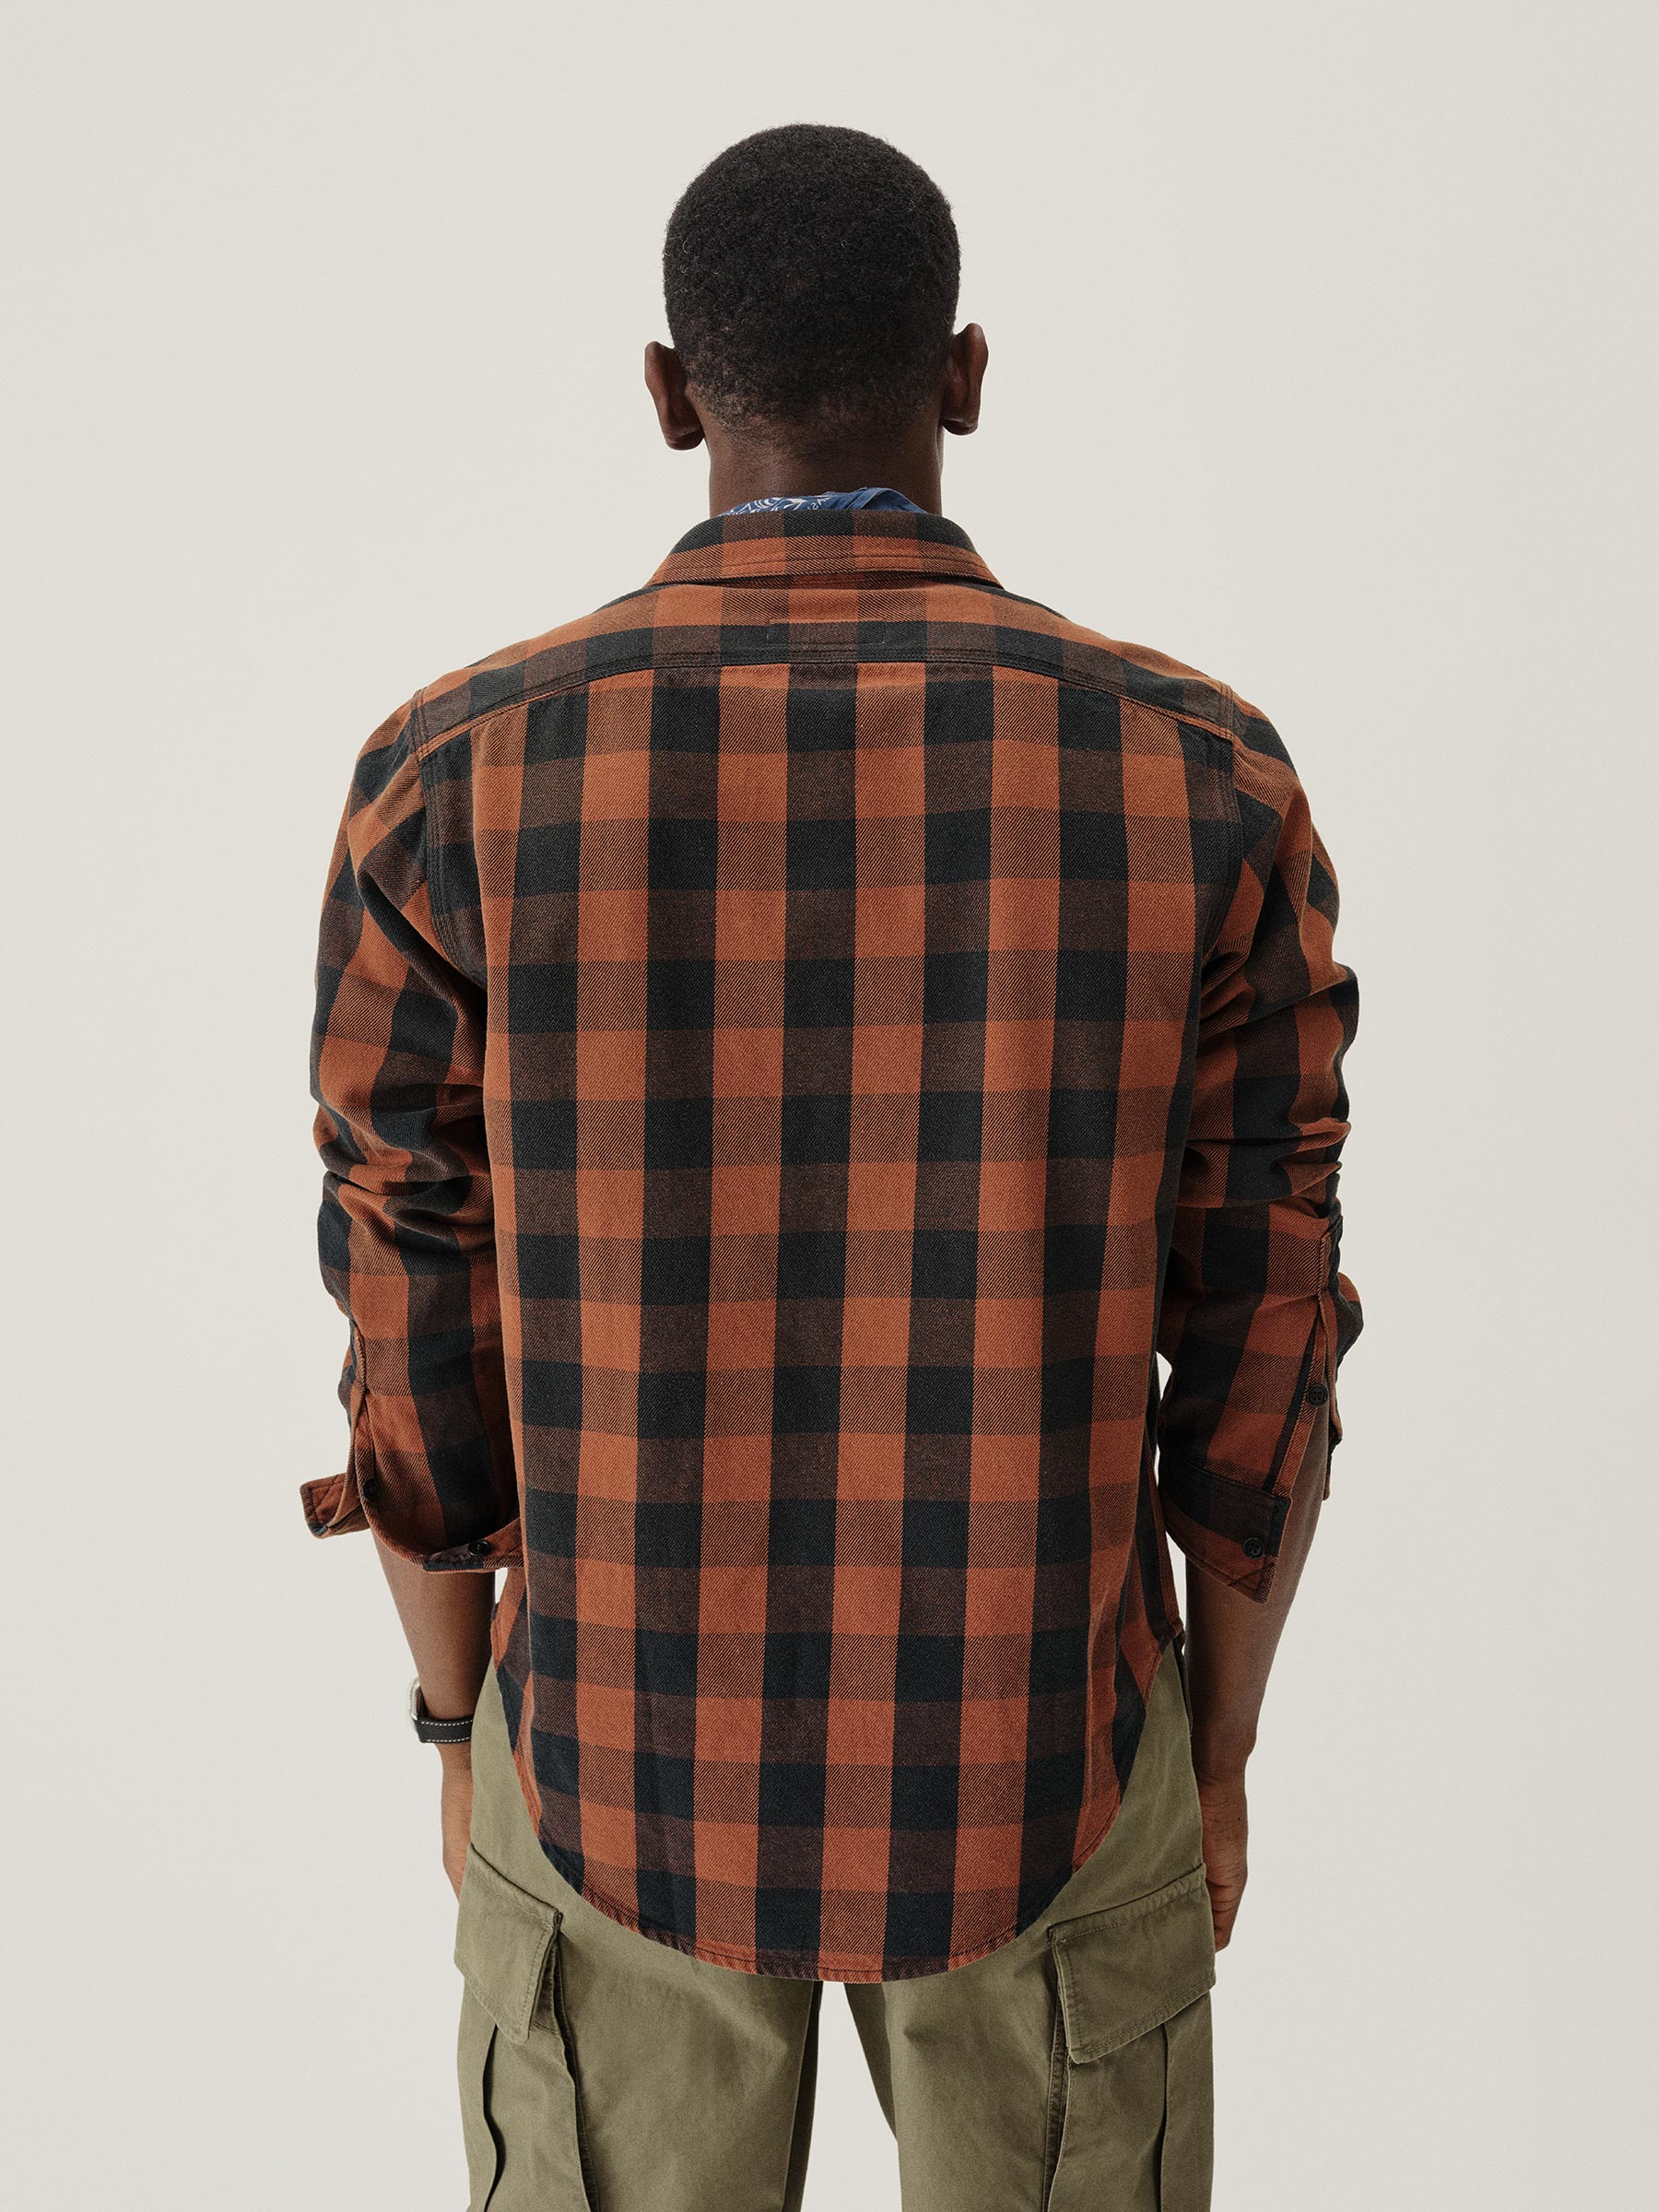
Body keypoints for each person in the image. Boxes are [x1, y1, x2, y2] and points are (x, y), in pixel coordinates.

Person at [305, 122, 1361, 2212]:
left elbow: (409, 1301)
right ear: (963, 377)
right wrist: (1216, 1752)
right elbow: (1268, 1333)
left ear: (668, 393)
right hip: (1057, 1763)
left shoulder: (452, 779)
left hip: (605, 1760)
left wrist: (455, 1729)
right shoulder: (1202, 776)